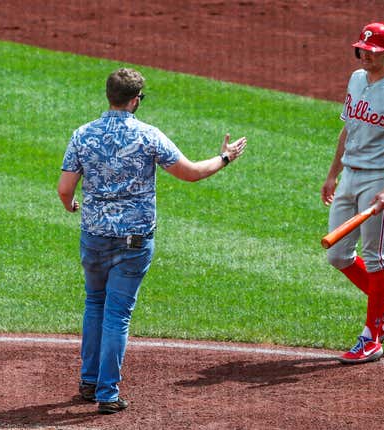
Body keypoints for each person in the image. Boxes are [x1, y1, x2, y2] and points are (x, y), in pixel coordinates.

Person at [57, 67, 247, 414]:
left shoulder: (82, 135)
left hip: (94, 237)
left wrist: (71, 206)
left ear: (108, 95)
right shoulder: (148, 136)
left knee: (94, 304)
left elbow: (65, 189)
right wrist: (224, 158)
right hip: (133, 241)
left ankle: (88, 381)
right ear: (135, 100)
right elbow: (190, 173)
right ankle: (107, 393)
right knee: (117, 314)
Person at [320, 22, 384, 364]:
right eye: (362, 49)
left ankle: (372, 337)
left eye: (374, 51)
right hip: (350, 174)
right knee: (337, 254)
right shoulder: (355, 79)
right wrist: (333, 174)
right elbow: (348, 128)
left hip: (379, 179)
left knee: (378, 257)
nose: (366, 55)